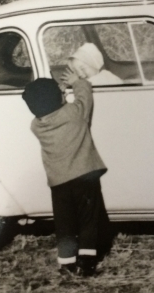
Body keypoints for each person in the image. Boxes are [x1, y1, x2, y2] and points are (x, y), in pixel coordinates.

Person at [21, 70, 109, 277]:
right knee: (89, 220)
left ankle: (67, 263)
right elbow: (84, 97)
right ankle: (86, 263)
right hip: (84, 176)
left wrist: (57, 95)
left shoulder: (36, 126)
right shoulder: (74, 114)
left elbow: (51, 107)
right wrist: (76, 82)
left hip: (59, 183)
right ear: (59, 98)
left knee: (65, 224)